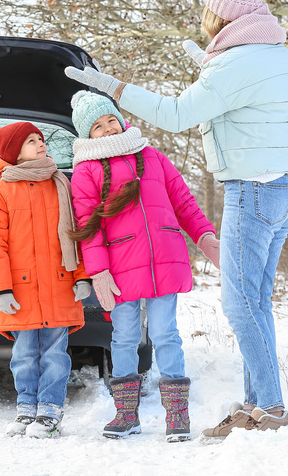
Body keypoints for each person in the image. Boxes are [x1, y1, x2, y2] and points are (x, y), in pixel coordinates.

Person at [66, 0, 288, 437]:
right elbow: (245, 101)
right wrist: (207, 63)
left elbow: (176, 115)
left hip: (252, 192)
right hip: (285, 190)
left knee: (240, 307)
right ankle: (258, 405)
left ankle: (272, 408)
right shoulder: (276, 53)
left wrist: (115, 88)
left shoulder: (235, 64)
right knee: (257, 302)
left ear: (224, 15)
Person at [68, 91, 219, 441]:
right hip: (120, 268)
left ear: (120, 121)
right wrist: (98, 271)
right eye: (97, 126)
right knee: (123, 339)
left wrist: (205, 236)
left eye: (110, 121)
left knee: (166, 334)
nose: (107, 129)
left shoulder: (151, 156)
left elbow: (183, 201)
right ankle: (126, 415)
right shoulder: (86, 172)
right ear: (86, 135)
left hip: (165, 259)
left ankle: (177, 416)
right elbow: (88, 227)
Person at [0, 122, 92, 438]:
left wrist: (82, 277)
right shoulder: (0, 192)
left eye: (40, 138)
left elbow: (76, 234)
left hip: (59, 284)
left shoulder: (61, 184)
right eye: (30, 141)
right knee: (24, 356)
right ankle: (26, 410)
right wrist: (1, 288)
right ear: (14, 152)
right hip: (21, 288)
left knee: (55, 355)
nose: (40, 143)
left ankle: (50, 413)